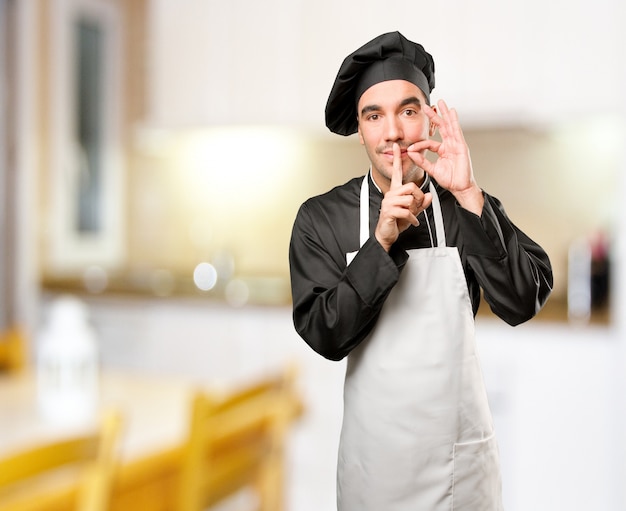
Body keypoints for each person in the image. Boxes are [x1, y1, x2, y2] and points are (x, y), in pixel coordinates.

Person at [288, 31, 553, 510]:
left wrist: (471, 194)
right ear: (361, 127)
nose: (392, 132)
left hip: (461, 470)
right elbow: (325, 335)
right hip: (376, 470)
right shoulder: (321, 219)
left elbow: (521, 300)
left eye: (408, 111)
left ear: (428, 118)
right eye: (374, 115)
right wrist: (383, 240)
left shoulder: (463, 205)